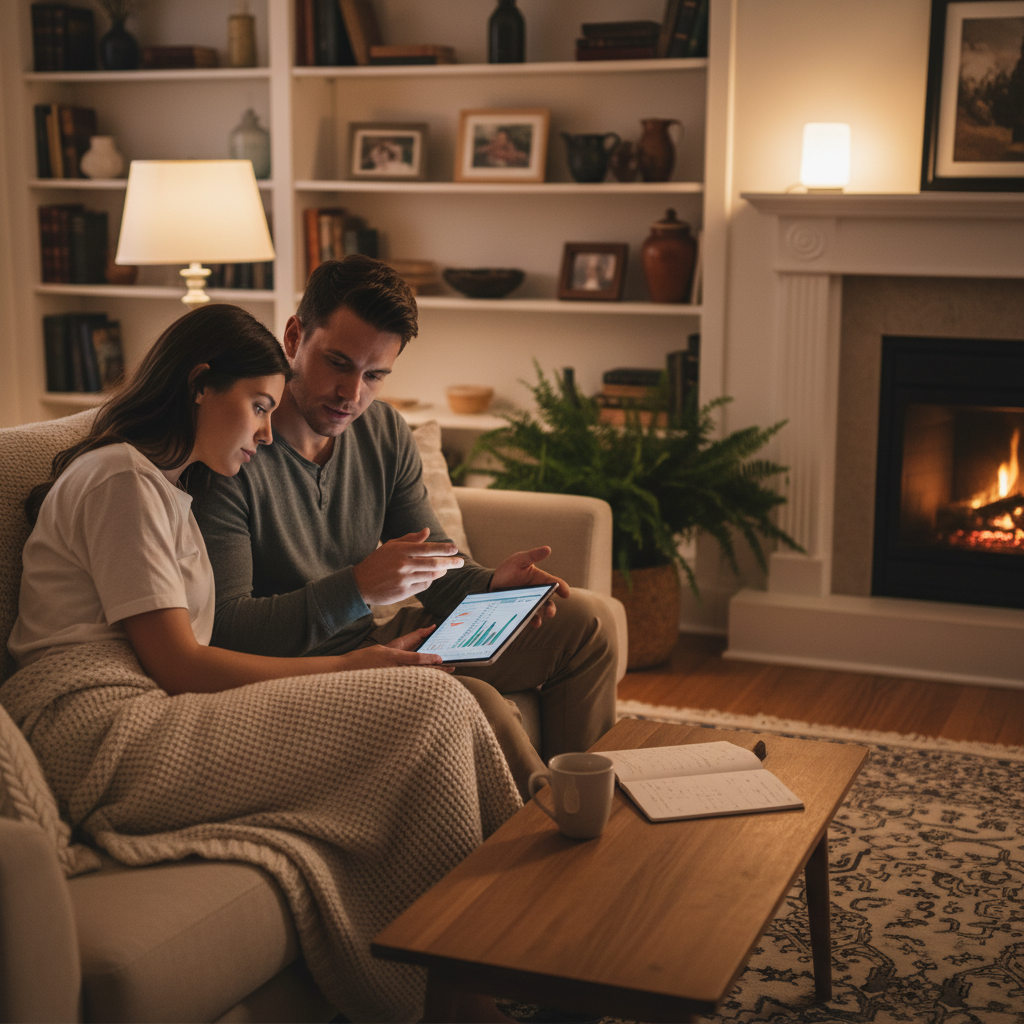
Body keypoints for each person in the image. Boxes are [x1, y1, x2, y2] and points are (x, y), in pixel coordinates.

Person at [3, 303, 522, 1024]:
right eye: (257, 406)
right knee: (429, 705)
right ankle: (464, 992)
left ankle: (499, 958)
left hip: (147, 710)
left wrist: (369, 663)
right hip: (95, 730)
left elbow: (188, 663)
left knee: (441, 703)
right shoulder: (119, 479)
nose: (266, 430)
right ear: (198, 385)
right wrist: (353, 670)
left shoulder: (166, 488)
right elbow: (182, 664)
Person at [191, 255, 619, 773]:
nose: (352, 396)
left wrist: (492, 587)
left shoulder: (384, 432)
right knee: (474, 702)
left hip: (377, 641)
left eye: (375, 375)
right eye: (339, 363)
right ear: (293, 336)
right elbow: (228, 629)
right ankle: (552, 829)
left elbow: (437, 571)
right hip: (299, 670)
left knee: (588, 622)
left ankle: (587, 797)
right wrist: (358, 588)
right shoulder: (232, 449)